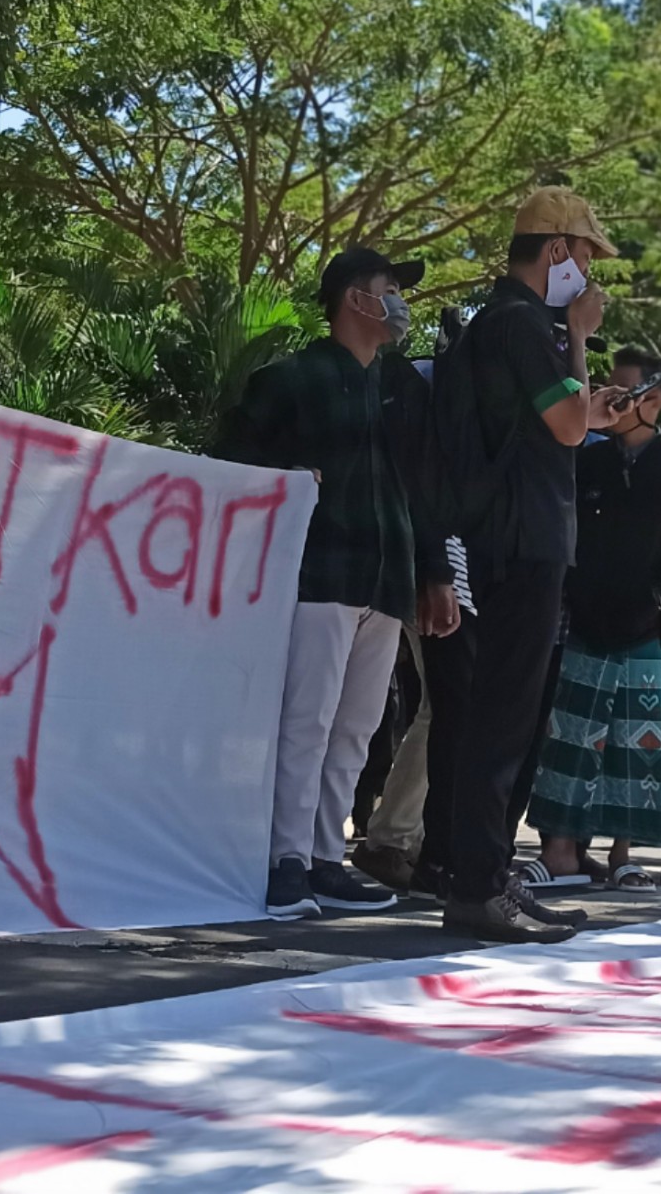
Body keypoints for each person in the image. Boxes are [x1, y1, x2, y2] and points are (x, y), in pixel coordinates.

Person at [212, 247, 457, 921]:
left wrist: (434, 574)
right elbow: (233, 466)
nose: (401, 304)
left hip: (386, 580)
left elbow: (422, 487)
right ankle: (284, 860)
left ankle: (326, 857)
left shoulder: (402, 385)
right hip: (317, 575)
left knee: (358, 726)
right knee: (307, 721)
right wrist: (285, 478)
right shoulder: (290, 379)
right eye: (390, 290)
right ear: (356, 299)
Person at [417, 188, 627, 943]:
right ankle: (477, 884)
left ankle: (486, 872)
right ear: (556, 251)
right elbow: (570, 425)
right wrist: (577, 335)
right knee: (500, 720)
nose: (589, 272)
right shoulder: (522, 323)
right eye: (585, 256)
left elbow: (562, 421)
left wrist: (582, 392)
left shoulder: (495, 324)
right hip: (520, 542)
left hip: (505, 539)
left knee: (506, 716)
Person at [525, 348, 661, 889]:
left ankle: (623, 854)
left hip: (643, 627)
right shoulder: (587, 458)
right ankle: (559, 851)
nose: (607, 398)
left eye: (622, 391)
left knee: (637, 746)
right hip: (583, 621)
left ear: (651, 401)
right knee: (568, 739)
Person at [352, 315, 471, 895]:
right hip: (418, 568)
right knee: (442, 703)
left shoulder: (427, 385)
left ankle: (407, 836)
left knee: (439, 704)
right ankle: (392, 837)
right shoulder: (421, 388)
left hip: (430, 567)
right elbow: (424, 492)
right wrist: (437, 572)